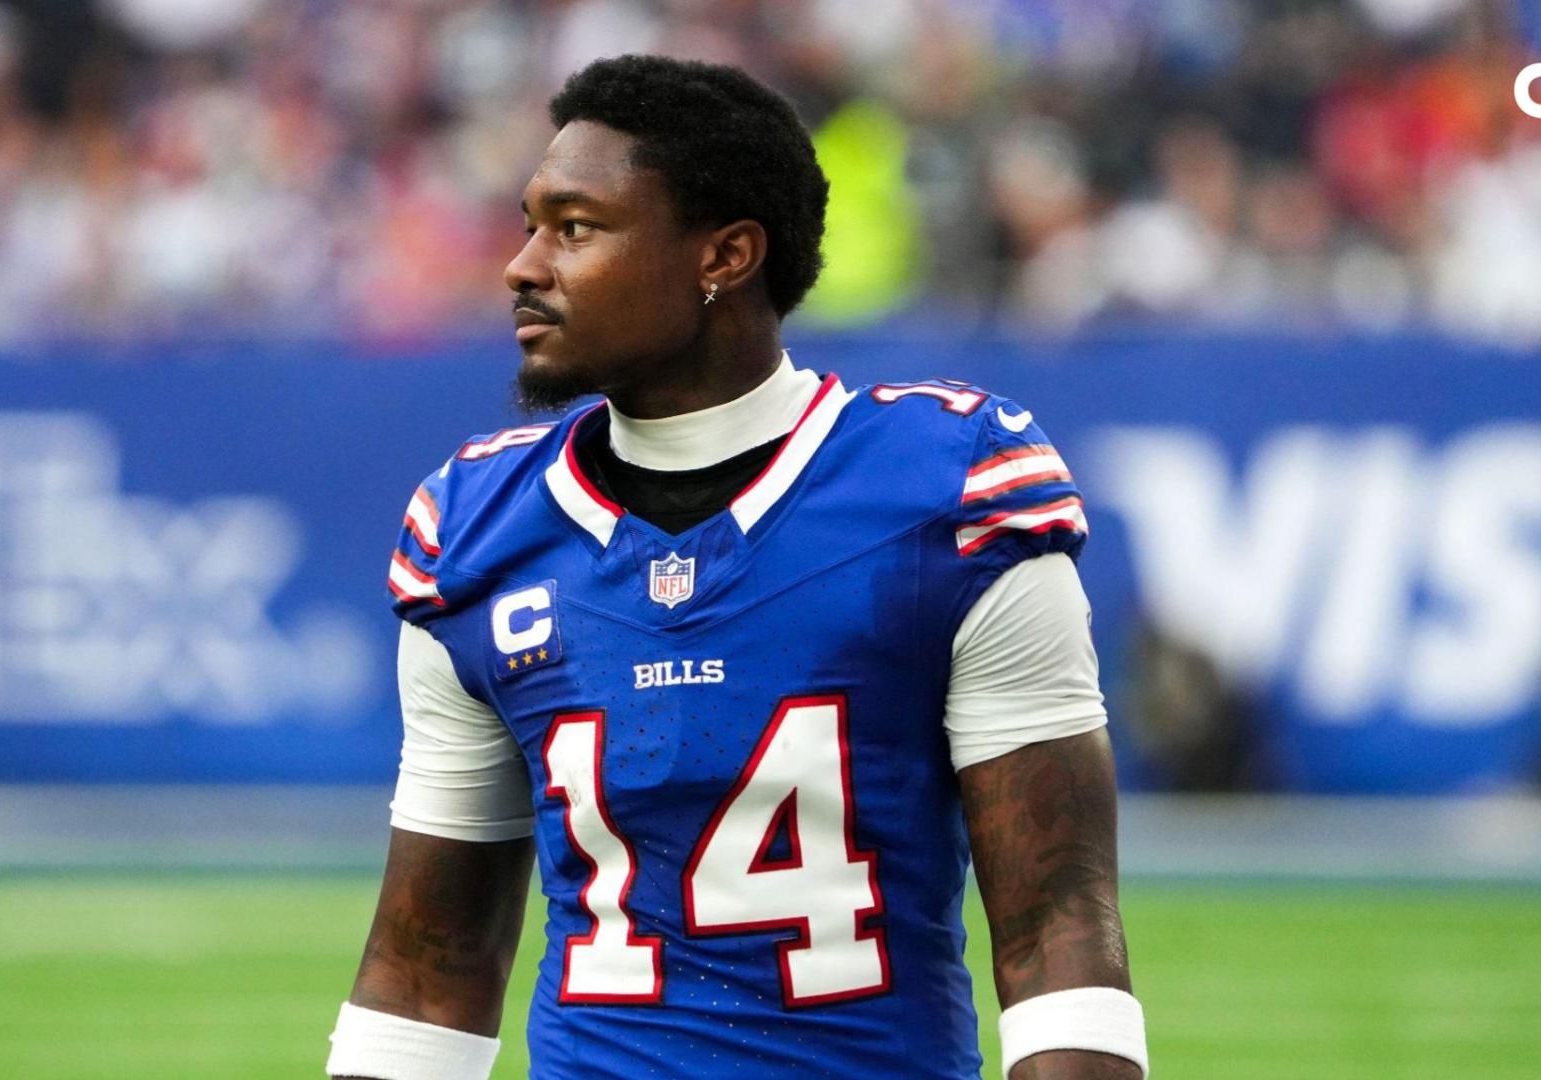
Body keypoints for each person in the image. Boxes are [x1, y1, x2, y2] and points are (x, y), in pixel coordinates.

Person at [327, 55, 1145, 1080]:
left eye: (576, 229)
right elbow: (425, 966)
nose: (524, 266)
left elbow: (1057, 929)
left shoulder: (948, 494)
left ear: (725, 256)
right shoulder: (478, 530)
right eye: (532, 224)